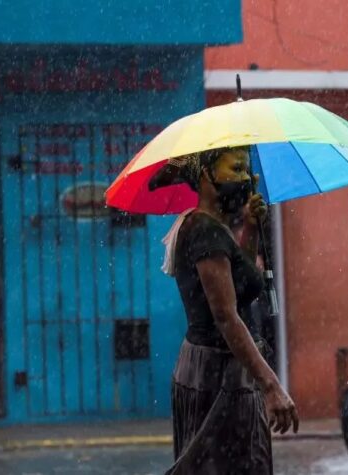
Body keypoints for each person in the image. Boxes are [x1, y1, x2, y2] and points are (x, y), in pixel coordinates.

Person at [150, 146, 298, 474]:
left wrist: (251, 227)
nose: (247, 178)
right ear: (206, 175)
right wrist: (271, 386)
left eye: (247, 170)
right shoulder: (206, 231)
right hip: (219, 378)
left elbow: (241, 282)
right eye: (237, 168)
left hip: (210, 369)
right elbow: (226, 315)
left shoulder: (211, 226)